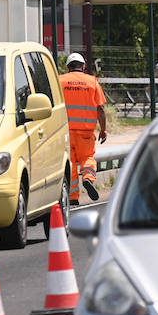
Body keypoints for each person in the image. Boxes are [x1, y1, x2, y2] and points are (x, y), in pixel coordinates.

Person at [59, 52, 107, 205]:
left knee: (71, 163)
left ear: (68, 67)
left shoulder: (60, 81)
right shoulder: (92, 82)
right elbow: (100, 108)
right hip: (86, 133)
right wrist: (103, 129)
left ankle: (73, 198)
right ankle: (88, 178)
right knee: (88, 158)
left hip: (65, 132)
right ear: (84, 66)